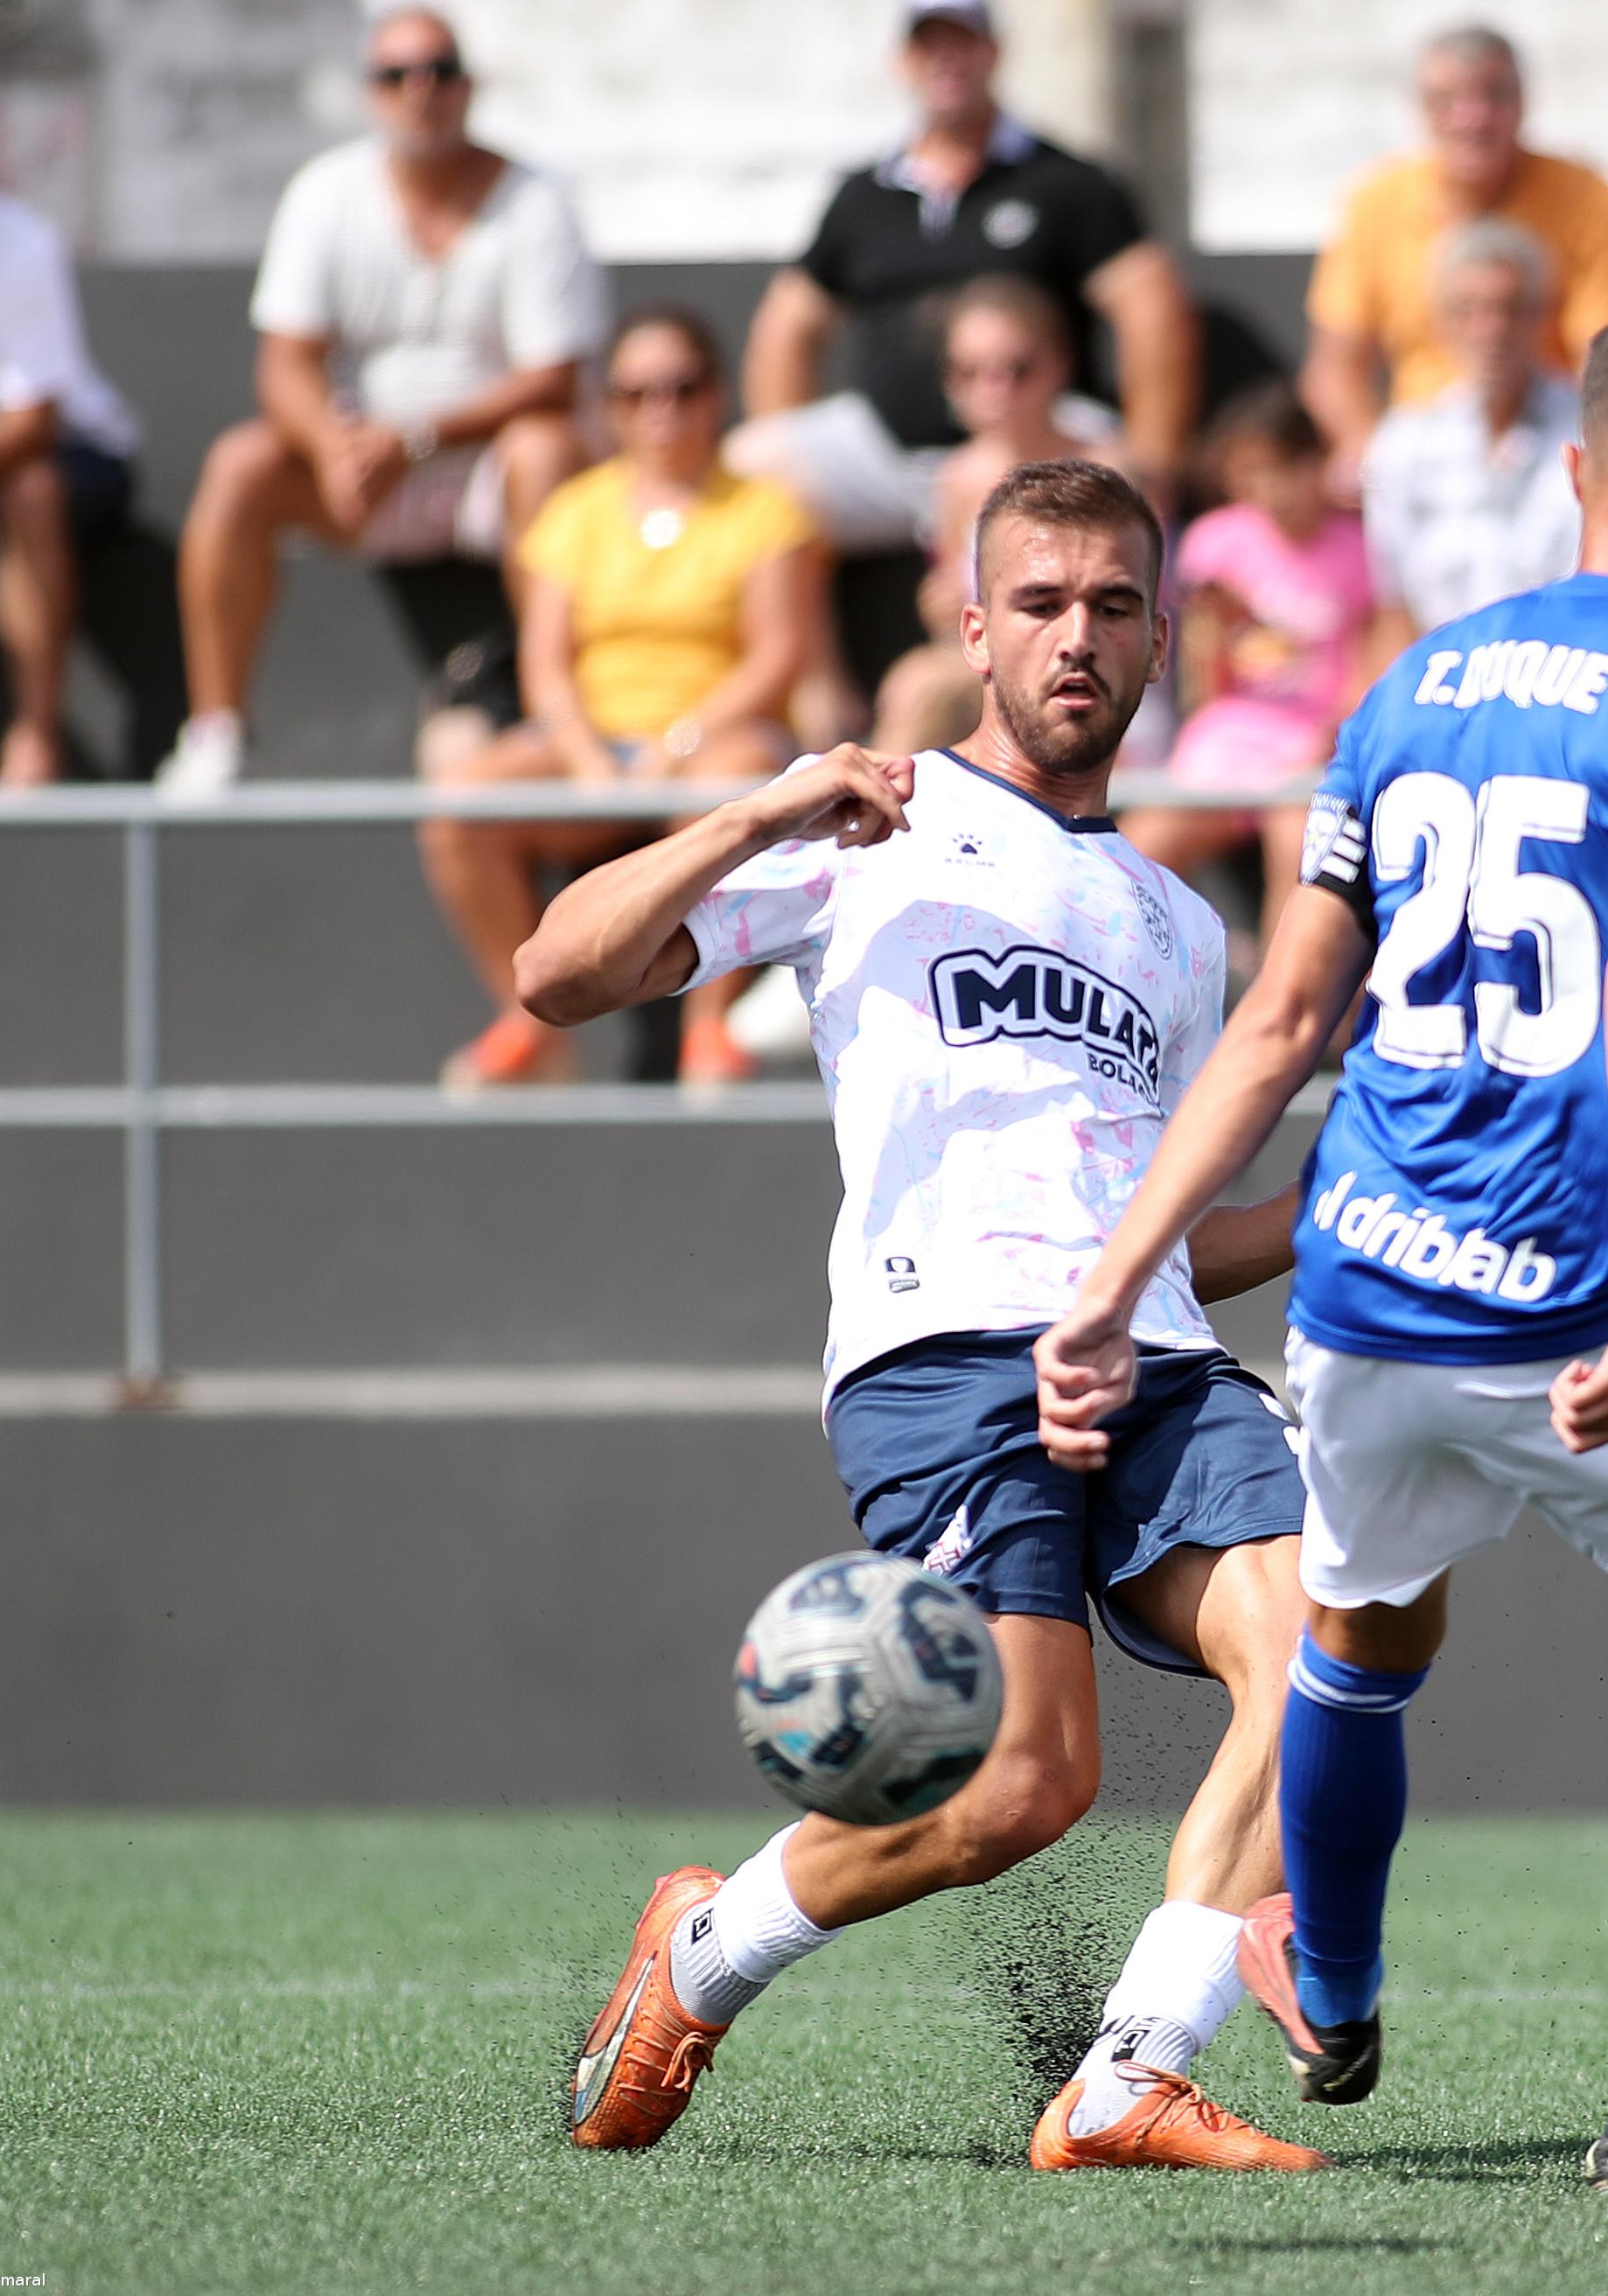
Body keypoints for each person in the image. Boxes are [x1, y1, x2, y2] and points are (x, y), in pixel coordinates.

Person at [1034, 302, 1608, 2200]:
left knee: (1369, 1636)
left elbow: (1290, 1020)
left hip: (1362, 1287)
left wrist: (1117, 1279)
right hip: (1559, 1296)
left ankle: (1340, 1975)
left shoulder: (1409, 684)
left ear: (1574, 468)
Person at [527, 458, 1324, 2176]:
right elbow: (556, 971)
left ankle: (1130, 2073)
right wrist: (758, 812)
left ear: (1162, 636)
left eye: (1115, 606)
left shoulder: (1188, 929)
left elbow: (1177, 1234)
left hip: (1161, 1361)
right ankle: (705, 1953)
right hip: (946, 1351)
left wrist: (1348, 1227)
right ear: (973, 626)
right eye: (1039, 602)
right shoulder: (866, 834)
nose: (1077, 639)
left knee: (1328, 1647)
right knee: (1019, 1794)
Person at [170, 3, 604, 791]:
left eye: (438, 71)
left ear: (468, 87)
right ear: (370, 92)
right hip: (364, 479)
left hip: (487, 478)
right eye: (395, 74)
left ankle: (556, 711)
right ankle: (216, 732)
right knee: (241, 464)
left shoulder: (538, 200)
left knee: (544, 449)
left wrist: (418, 437)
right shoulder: (324, 193)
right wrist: (334, 445)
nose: (419, 90)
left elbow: (555, 380)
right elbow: (285, 364)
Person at [419, 310, 820, 1091]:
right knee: (460, 807)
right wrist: (587, 757)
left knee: (731, 794)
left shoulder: (765, 509)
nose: (660, 408)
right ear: (610, 407)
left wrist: (679, 742)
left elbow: (778, 656)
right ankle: (525, 1025)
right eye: (634, 393)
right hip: (600, 746)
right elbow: (547, 661)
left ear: (718, 395)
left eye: (681, 387)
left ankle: (711, 1028)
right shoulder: (578, 510)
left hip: (718, 739)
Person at [734, 0, 1197, 546]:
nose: (945, 59)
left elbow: (1150, 309)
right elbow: (789, 324)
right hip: (888, 460)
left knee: (1121, 487)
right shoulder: (862, 195)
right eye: (929, 43)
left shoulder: (1067, 182)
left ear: (994, 52)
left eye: (962, 41)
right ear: (902, 59)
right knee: (748, 478)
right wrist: (787, 423)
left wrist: (1158, 460)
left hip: (1035, 455)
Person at [1299, 24, 1608, 488]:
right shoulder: (1374, 201)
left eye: (1493, 96)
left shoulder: (1586, 197)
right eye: (1446, 101)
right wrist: (1372, 460)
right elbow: (1334, 370)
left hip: (1553, 447)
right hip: (1417, 452)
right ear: (1421, 111)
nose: (1473, 118)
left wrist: (1599, 461)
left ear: (1523, 103)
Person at [0, 87, 143, 786]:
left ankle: (36, 739)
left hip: (67, 458)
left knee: (32, 492)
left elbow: (32, 426)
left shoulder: (17, 243)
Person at [1118, 386, 1373, 943]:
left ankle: (1279, 996)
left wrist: (1328, 739)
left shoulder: (1361, 546)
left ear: (1316, 463)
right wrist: (1221, 629)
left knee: (1297, 844)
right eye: (1249, 475)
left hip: (1315, 747)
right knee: (1137, 852)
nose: (1268, 492)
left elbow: (1365, 663)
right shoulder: (1216, 541)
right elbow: (1206, 687)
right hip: (1228, 738)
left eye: (1280, 470)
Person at [874, 274, 1124, 756]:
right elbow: (956, 622)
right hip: (995, 683)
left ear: (1060, 365)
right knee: (916, 686)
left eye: (1017, 369)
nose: (994, 389)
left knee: (920, 685)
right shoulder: (956, 478)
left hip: (1096, 670)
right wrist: (944, 609)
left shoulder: (1107, 468)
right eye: (968, 373)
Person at [1357, 216, 1584, 673]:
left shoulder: (1590, 433)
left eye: (1510, 308)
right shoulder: (1403, 444)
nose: (1491, 329)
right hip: (1444, 684)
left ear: (1543, 316)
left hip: (1560, 680)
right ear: (1441, 322)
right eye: (1470, 309)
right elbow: (1394, 608)